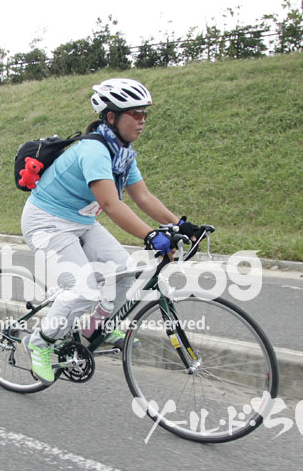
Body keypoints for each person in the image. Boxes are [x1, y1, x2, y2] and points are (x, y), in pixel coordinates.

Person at [20, 78, 200, 384]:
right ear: (112, 117)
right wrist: (150, 235)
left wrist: (180, 224)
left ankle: (95, 327)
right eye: (135, 114)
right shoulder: (94, 151)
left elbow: (143, 197)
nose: (142, 121)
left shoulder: (123, 153)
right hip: (46, 222)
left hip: (82, 221)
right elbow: (111, 204)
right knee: (83, 289)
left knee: (126, 272)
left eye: (145, 114)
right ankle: (40, 342)